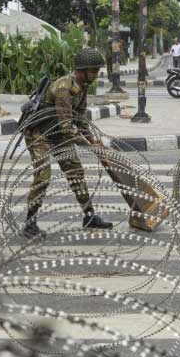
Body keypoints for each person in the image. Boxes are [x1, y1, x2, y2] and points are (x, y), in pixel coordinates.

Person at [20, 49, 116, 238]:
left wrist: (93, 139)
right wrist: (90, 146)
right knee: (43, 177)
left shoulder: (82, 86)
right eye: (93, 71)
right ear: (81, 71)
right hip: (40, 134)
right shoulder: (64, 88)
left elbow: (79, 119)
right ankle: (29, 223)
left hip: (58, 133)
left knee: (75, 173)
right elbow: (67, 127)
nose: (96, 75)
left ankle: (89, 216)